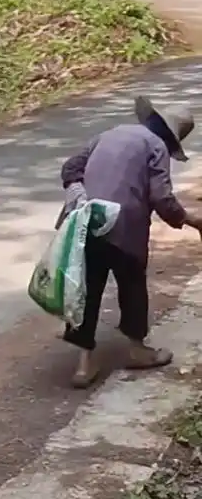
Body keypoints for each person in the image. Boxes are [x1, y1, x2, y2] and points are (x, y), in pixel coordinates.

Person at [59, 94, 202, 388]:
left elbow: (71, 168)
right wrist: (191, 220)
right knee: (132, 284)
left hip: (90, 221)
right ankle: (138, 350)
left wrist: (81, 198)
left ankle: (84, 364)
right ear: (172, 138)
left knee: (88, 287)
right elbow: (161, 198)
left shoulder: (110, 133)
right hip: (127, 227)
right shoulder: (157, 147)